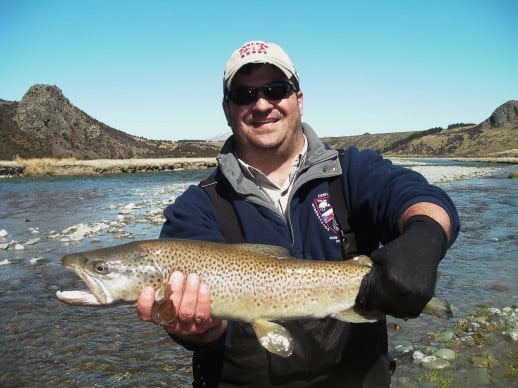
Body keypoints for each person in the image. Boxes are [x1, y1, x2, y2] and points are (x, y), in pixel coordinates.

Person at [137, 40, 459, 387]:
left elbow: (423, 199)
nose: (261, 104)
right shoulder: (195, 208)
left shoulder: (352, 172)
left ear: (298, 99)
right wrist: (201, 331)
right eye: (245, 95)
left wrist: (423, 239)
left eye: (276, 90)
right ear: (227, 109)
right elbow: (203, 331)